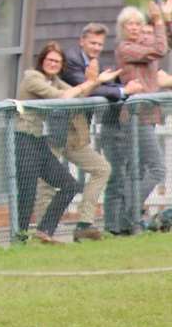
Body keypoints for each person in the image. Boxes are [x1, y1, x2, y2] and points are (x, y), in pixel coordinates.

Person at [17, 41, 119, 242]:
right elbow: (61, 97)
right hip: (23, 138)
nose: (53, 64)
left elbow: (78, 93)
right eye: (49, 60)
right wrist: (92, 81)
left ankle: (44, 231)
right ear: (42, 60)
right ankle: (19, 239)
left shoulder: (54, 80)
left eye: (57, 61)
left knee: (69, 185)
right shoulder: (32, 78)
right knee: (27, 191)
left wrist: (97, 81)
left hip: (38, 140)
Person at [60, 22, 145, 236]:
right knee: (47, 185)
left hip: (77, 131)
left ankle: (84, 224)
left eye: (100, 44)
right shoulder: (71, 59)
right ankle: (41, 234)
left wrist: (121, 89)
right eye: (92, 43)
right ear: (82, 41)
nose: (97, 47)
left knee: (101, 169)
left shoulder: (94, 61)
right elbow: (90, 88)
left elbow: (105, 86)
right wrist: (123, 89)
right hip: (56, 129)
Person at [114, 0, 171, 227]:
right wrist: (158, 21)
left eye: (139, 24)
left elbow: (162, 43)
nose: (136, 28)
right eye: (130, 25)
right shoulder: (126, 49)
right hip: (136, 116)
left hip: (149, 115)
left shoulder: (143, 43)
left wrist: (165, 19)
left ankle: (127, 219)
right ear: (123, 29)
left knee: (137, 170)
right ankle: (129, 214)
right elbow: (159, 49)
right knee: (157, 168)